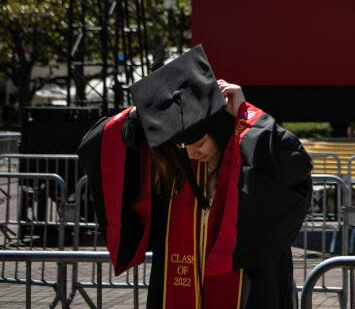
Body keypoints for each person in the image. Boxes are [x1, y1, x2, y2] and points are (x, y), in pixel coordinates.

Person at [78, 45, 312, 309]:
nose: (191, 152)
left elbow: (295, 163)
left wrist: (245, 116)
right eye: (182, 145)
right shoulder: (172, 174)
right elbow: (95, 145)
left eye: (198, 141)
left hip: (249, 293)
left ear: (219, 126)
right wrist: (139, 113)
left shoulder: (250, 164)